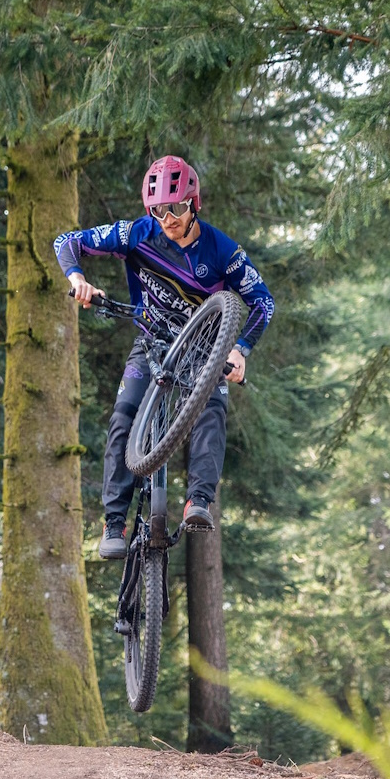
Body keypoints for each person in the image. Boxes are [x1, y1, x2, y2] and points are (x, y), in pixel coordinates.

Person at [54, 155, 274, 559]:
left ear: (194, 204)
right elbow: (66, 241)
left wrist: (241, 349)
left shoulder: (222, 250)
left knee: (213, 409)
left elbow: (263, 302)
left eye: (175, 207)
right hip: (152, 339)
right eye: (158, 210)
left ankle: (198, 502)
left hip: (205, 346)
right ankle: (114, 522)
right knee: (123, 413)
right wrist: (78, 278)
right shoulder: (137, 234)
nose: (167, 218)